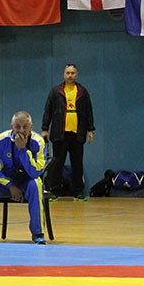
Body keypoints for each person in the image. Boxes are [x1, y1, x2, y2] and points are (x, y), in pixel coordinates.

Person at [0, 111, 47, 244]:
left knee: (36, 184)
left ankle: (38, 233)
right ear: (12, 127)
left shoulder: (38, 142)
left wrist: (23, 150)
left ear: (31, 127)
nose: (21, 130)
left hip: (27, 181)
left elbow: (36, 172)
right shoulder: (0, 141)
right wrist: (10, 185)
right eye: (18, 127)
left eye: (25, 126)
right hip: (5, 181)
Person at [41, 63, 95, 201]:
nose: (70, 75)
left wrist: (90, 129)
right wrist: (45, 129)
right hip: (60, 134)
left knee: (77, 163)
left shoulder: (82, 92)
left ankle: (78, 191)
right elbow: (48, 110)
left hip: (77, 134)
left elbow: (88, 111)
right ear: (64, 74)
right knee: (57, 164)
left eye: (72, 73)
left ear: (77, 75)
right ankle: (54, 191)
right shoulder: (56, 92)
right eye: (68, 73)